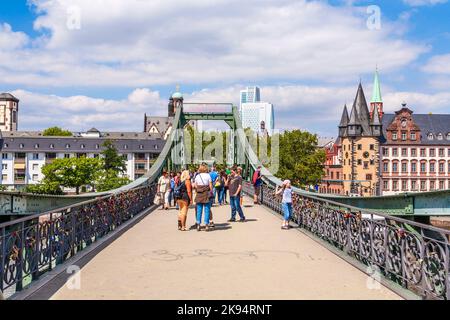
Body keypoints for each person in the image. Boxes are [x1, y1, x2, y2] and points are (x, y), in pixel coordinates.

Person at [193, 164, 213, 231]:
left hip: (199, 193)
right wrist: (211, 192)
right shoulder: (208, 175)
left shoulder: (197, 176)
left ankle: (198, 224)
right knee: (207, 209)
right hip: (206, 193)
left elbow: (195, 185)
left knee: (199, 209)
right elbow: (210, 186)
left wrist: (199, 189)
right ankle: (206, 225)